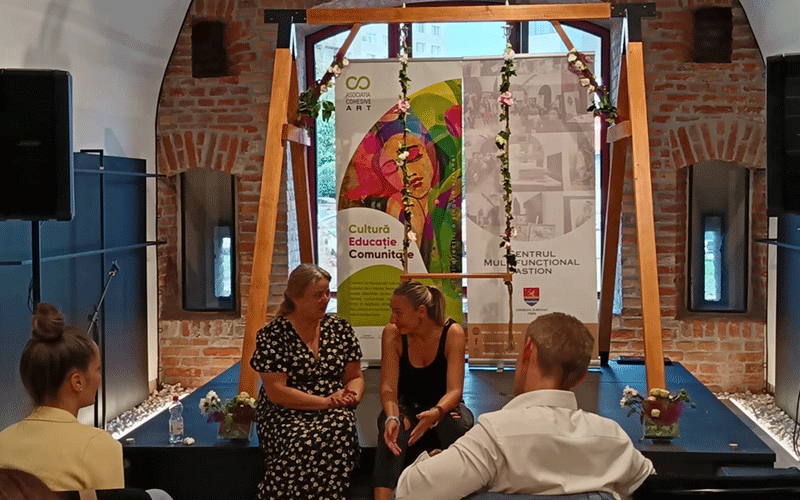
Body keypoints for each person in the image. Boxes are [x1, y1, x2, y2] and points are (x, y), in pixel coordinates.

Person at [394, 312, 655, 500]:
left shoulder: (494, 436)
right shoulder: (613, 438)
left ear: (528, 351)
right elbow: (651, 484)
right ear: (581, 377)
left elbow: (409, 492)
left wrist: (432, 457)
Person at [0, 304, 172, 500]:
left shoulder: (3, 442)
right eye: (97, 369)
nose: (100, 376)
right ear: (78, 381)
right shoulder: (99, 446)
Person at [250, 264, 364, 500]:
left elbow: (354, 376)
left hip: (333, 407)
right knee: (303, 441)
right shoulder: (273, 334)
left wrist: (352, 395)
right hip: (286, 410)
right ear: (295, 297)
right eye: (317, 294)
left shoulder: (340, 328)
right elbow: (277, 392)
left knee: (341, 427)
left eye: (327, 293)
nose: (324, 299)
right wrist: (323, 401)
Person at [373, 281, 473, 500]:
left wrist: (436, 412)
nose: (393, 319)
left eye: (398, 312)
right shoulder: (392, 333)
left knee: (456, 423)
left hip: (444, 407)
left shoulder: (452, 332)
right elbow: (388, 388)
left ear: (420, 312)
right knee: (392, 428)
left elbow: (455, 391)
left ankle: (459, 489)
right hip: (408, 406)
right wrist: (392, 416)